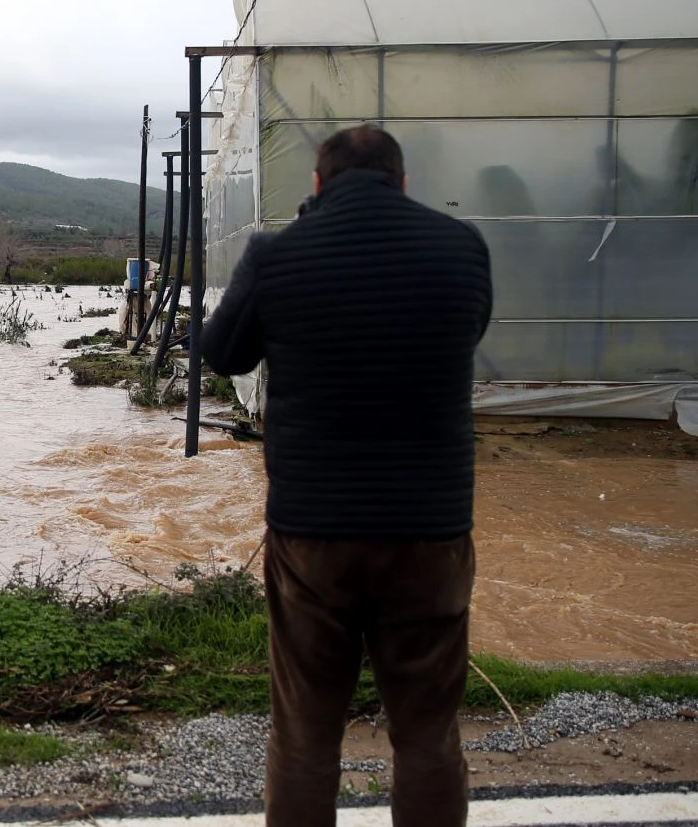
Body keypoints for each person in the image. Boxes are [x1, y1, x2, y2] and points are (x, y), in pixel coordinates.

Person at [200, 124, 493, 827]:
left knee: (304, 737)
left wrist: (302, 240)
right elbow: (466, 330)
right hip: (430, 532)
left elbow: (222, 353)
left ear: (316, 185)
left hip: (314, 536)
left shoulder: (278, 254)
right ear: (403, 183)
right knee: (427, 737)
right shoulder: (464, 250)